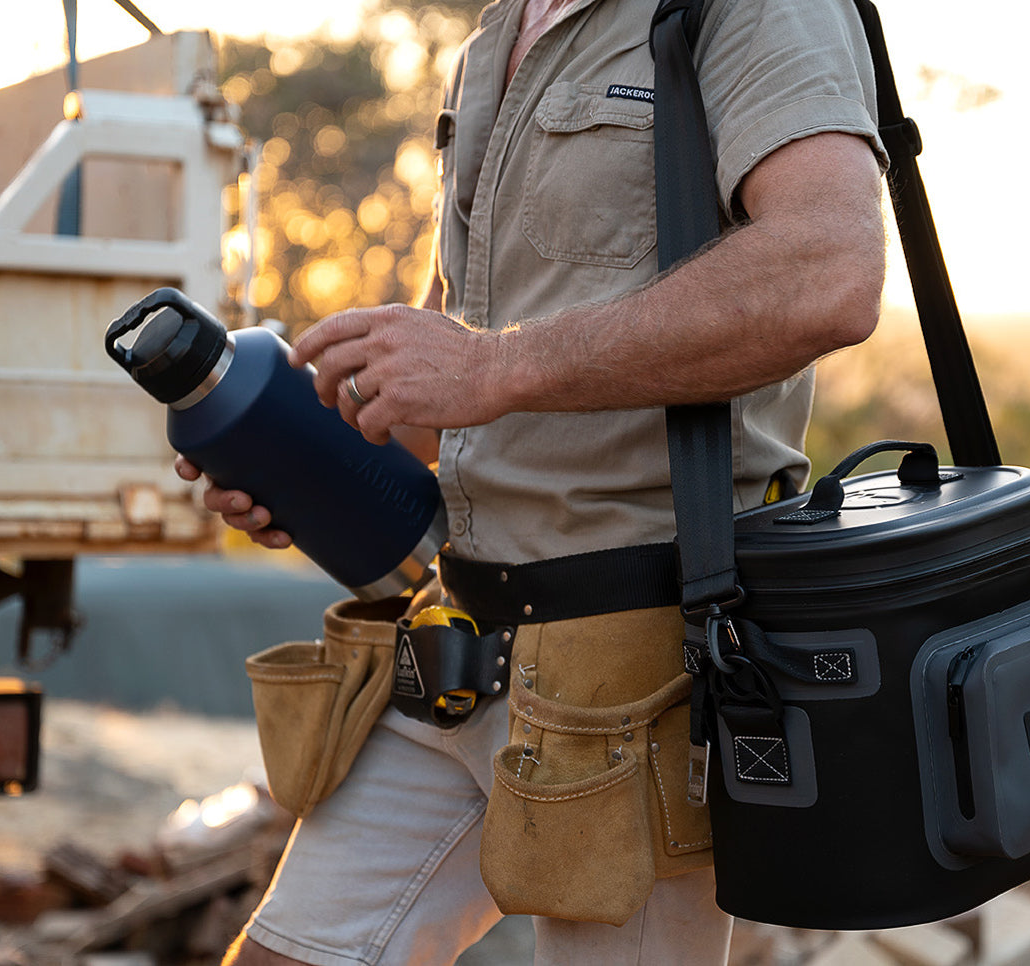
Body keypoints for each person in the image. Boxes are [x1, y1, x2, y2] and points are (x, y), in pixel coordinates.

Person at [179, 0, 888, 961]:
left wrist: (492, 366)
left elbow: (828, 272)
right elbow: (456, 407)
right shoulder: (494, 36)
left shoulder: (751, 8)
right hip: (455, 648)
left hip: (632, 673)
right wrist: (303, 466)